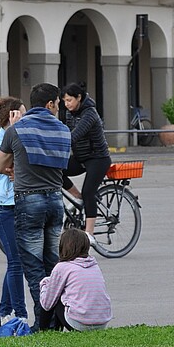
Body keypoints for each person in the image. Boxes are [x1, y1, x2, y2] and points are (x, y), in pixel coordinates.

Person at [0, 82, 72, 332]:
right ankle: (57, 321)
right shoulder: (63, 130)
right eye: (58, 104)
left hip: (29, 200)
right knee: (53, 263)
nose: (59, 108)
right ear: (50, 104)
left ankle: (43, 324)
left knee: (33, 266)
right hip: (55, 200)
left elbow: (0, 165)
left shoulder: (18, 129)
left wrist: (16, 169)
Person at [0, 96, 29, 326]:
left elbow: (24, 166)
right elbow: (5, 168)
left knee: (17, 260)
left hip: (22, 202)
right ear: (11, 116)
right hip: (4, 206)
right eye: (22, 113)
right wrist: (15, 131)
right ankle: (20, 314)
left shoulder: (22, 134)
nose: (26, 117)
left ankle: (5, 310)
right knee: (16, 261)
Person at [60, 82, 112, 242]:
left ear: (79, 98)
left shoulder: (90, 114)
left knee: (89, 191)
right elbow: (66, 132)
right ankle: (78, 197)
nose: (67, 104)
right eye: (64, 101)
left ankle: (89, 234)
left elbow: (74, 135)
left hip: (98, 158)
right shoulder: (70, 113)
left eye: (69, 100)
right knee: (56, 170)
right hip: (81, 157)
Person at [39, 228, 112, 331]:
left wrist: (44, 284)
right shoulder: (94, 265)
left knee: (51, 294)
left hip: (79, 323)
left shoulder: (62, 267)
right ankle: (53, 331)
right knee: (62, 294)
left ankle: (44, 332)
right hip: (102, 322)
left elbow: (47, 304)